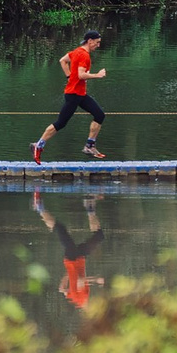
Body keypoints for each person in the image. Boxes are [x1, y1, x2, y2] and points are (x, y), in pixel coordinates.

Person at [32, 30, 108, 162]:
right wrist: (97, 75)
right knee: (61, 123)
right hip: (73, 95)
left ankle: (89, 146)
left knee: (99, 115)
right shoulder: (84, 55)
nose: (98, 45)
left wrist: (69, 76)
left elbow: (62, 61)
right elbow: (81, 75)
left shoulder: (76, 51)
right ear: (89, 41)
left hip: (79, 94)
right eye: (97, 42)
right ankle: (38, 145)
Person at [34, 190, 106, 308]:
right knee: (99, 236)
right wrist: (68, 274)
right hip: (76, 258)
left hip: (73, 257)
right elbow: (62, 289)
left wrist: (96, 280)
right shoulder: (76, 301)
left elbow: (81, 280)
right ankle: (89, 207)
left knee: (60, 228)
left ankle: (39, 207)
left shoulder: (82, 299)